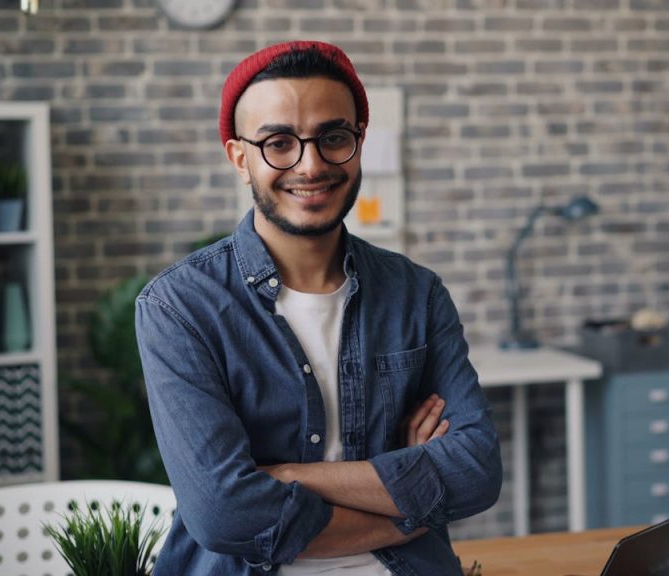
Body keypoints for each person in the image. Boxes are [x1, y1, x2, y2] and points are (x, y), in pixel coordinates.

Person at [135, 40, 502, 575]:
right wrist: (412, 501)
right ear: (240, 159)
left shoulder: (417, 294)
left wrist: (284, 476)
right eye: (279, 143)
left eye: (332, 137)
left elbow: (477, 471)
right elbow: (224, 515)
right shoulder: (179, 308)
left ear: (358, 143)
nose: (311, 165)